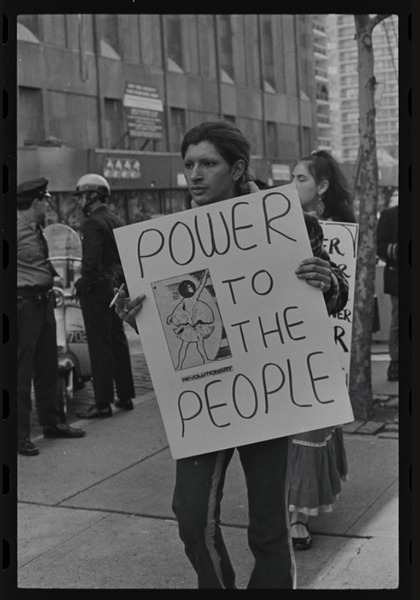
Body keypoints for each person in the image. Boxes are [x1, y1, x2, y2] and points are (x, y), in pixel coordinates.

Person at [113, 122, 349, 589]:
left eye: (208, 163)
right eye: (189, 165)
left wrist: (328, 281)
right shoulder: (169, 243)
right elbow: (172, 322)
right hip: (208, 396)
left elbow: (335, 297)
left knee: (268, 527)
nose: (194, 175)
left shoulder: (292, 225)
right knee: (191, 515)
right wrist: (133, 312)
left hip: (267, 393)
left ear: (237, 169)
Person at [289, 149, 356, 549]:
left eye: (301, 179)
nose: (291, 186)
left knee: (310, 426)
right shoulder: (275, 224)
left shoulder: (333, 231)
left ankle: (297, 515)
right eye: (291, 177)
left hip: (319, 342)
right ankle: (291, 508)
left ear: (322, 187)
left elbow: (342, 297)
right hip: (284, 344)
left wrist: (328, 283)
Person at [17, 177, 85, 456]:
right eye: (44, 200)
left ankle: (52, 422)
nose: (47, 204)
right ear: (35, 203)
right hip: (23, 305)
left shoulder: (36, 228)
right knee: (20, 372)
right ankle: (18, 435)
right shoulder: (16, 229)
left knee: (48, 366)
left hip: (43, 302)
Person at [72, 174, 136, 419]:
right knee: (118, 341)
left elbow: (90, 264)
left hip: (97, 292)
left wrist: (81, 285)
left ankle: (102, 403)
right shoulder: (116, 219)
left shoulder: (93, 224)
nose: (80, 203)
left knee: (100, 346)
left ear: (91, 197)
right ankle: (126, 396)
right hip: (116, 288)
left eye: (81, 197)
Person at [376, 189, 398, 382]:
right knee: (398, 322)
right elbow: (380, 247)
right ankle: (396, 362)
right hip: (398, 276)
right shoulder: (389, 215)